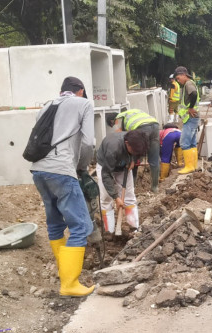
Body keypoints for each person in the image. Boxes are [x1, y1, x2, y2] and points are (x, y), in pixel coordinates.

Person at [31, 76, 95, 297]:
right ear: (80, 91)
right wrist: (82, 168)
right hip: (62, 171)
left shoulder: (47, 105)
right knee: (80, 226)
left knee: (55, 224)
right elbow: (88, 142)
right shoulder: (84, 104)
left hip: (38, 170)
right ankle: (69, 283)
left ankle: (64, 274)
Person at [96, 130, 148, 234]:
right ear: (127, 143)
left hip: (124, 165)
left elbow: (140, 152)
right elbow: (106, 175)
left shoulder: (138, 141)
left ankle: (134, 230)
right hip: (105, 167)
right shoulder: (113, 148)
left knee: (129, 196)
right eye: (133, 152)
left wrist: (133, 159)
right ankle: (109, 232)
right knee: (106, 198)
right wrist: (116, 197)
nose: (135, 153)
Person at [115, 108, 160, 193]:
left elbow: (125, 137)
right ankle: (155, 187)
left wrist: (131, 159)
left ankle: (131, 188)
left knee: (134, 155)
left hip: (142, 128)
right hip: (155, 125)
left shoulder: (120, 117)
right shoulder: (134, 112)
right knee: (154, 159)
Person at [174, 66, 200, 174]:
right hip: (192, 118)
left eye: (178, 78)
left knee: (184, 143)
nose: (178, 80)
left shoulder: (188, 84)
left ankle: (189, 166)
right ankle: (193, 165)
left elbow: (193, 93)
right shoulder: (189, 83)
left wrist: (190, 108)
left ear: (184, 75)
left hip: (190, 118)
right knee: (192, 143)